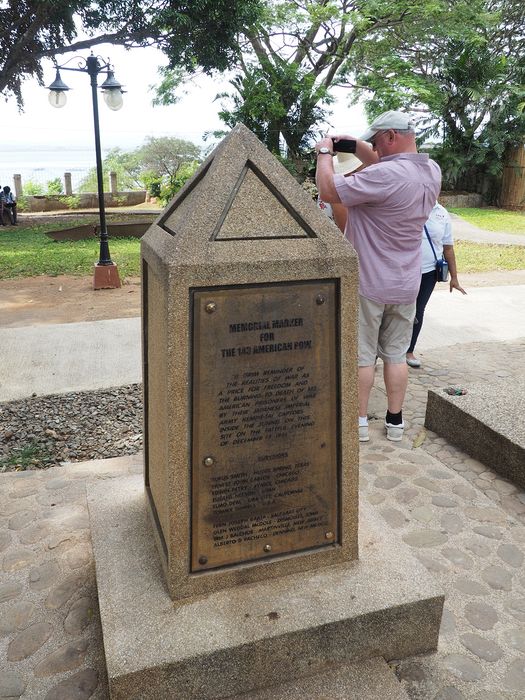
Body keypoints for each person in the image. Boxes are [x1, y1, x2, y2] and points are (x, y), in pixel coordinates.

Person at [315, 110, 441, 442]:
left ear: (389, 137)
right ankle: (395, 422)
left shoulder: (384, 177)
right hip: (406, 282)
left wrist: (326, 152)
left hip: (370, 283)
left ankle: (358, 423)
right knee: (396, 355)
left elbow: (328, 189)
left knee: (362, 356)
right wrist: (355, 144)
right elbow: (384, 163)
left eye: (375, 141)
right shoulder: (431, 171)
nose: (373, 148)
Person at [406, 203, 466, 367]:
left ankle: (408, 350)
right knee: (393, 309)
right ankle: (377, 352)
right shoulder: (408, 203)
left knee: (418, 311)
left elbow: (448, 247)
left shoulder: (442, 213)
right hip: (403, 270)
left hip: (429, 273)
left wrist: (454, 277)